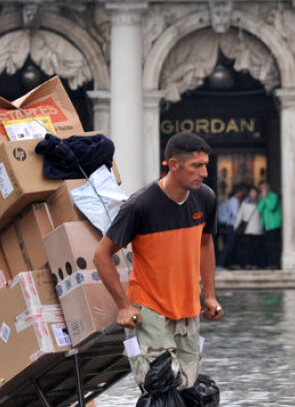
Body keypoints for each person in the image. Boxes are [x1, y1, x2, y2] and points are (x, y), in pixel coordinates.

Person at [95, 131, 223, 393]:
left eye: (205, 165)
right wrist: (122, 306)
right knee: (158, 385)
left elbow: (205, 243)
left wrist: (209, 296)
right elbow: (101, 255)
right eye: (197, 166)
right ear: (174, 165)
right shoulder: (140, 206)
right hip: (150, 307)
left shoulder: (206, 198)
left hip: (188, 307)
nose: (204, 172)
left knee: (187, 388)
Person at [234, 186, 264, 269]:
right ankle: (247, 264)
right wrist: (236, 225)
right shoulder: (245, 203)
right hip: (247, 229)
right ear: (249, 193)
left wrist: (263, 227)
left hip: (257, 229)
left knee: (256, 249)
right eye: (252, 192)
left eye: (255, 192)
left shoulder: (260, 202)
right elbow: (240, 214)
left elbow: (262, 216)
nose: (253, 194)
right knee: (247, 248)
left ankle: (255, 264)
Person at [215, 185, 244, 269]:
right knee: (229, 245)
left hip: (231, 225)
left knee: (235, 245)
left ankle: (238, 263)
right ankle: (220, 263)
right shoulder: (235, 201)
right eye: (241, 192)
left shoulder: (231, 200)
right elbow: (236, 214)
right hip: (233, 226)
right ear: (238, 192)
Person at [258, 181, 282, 269]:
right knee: (268, 246)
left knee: (274, 246)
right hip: (267, 226)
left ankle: (275, 264)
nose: (263, 190)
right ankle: (269, 263)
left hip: (274, 225)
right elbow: (259, 209)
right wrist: (263, 199)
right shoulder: (262, 197)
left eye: (264, 188)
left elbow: (271, 207)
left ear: (268, 188)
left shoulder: (273, 196)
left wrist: (265, 198)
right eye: (261, 188)